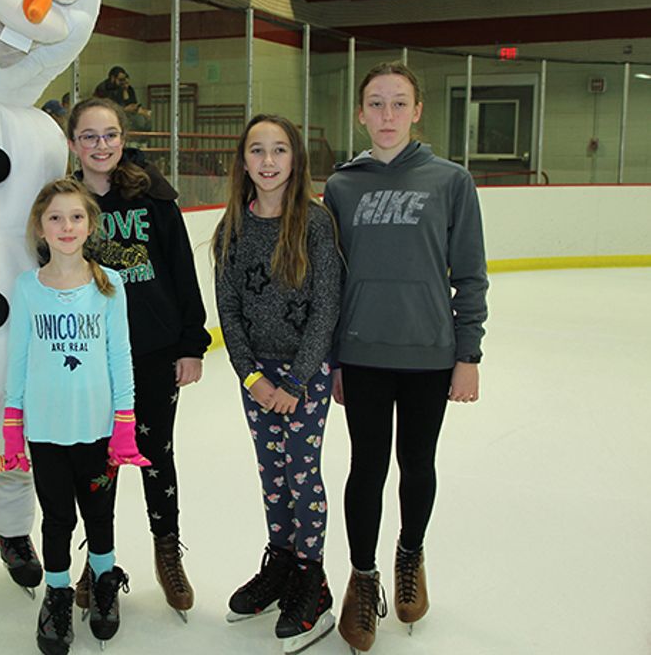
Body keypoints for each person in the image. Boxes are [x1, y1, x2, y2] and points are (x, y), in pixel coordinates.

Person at [323, 62, 489, 653]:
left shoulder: (450, 181)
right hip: (363, 354)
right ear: (360, 113)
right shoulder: (341, 186)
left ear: (418, 111)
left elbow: (469, 273)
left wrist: (467, 352)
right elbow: (330, 282)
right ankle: (362, 577)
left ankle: (410, 555)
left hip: (429, 354)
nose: (387, 115)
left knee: (417, 463)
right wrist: (335, 358)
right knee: (366, 467)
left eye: (399, 104)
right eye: (376, 104)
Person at [0, 176, 149, 655]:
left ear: (90, 225)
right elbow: (17, 359)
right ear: (40, 227)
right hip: (45, 431)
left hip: (99, 430)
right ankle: (58, 593)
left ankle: (103, 583)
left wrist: (125, 424)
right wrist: (13, 430)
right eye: (55, 217)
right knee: (57, 518)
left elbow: (120, 357)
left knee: (100, 514)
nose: (66, 226)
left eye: (76, 217)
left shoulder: (110, 284)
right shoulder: (27, 288)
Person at [68, 97, 210, 621]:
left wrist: (191, 342)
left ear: (122, 140)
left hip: (151, 350)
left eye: (109, 135)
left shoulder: (153, 199)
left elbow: (180, 268)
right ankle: (98, 558)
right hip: (89, 354)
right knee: (97, 459)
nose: (100, 145)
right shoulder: (66, 203)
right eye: (89, 136)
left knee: (154, 452)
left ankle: (167, 550)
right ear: (73, 144)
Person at [212, 115, 342, 654]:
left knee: (300, 472)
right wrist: (252, 376)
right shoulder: (232, 230)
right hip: (258, 377)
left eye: (280, 150)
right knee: (272, 473)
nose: (268, 161)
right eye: (257, 151)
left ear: (295, 160)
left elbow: (326, 307)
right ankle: (282, 561)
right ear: (243, 162)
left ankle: (312, 578)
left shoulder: (314, 224)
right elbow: (230, 312)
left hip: (304, 376)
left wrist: (294, 380)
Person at [93, 66, 151, 132]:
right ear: (113, 78)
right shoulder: (103, 88)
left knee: (143, 121)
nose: (123, 82)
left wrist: (125, 91)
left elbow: (132, 103)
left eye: (124, 79)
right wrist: (124, 109)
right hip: (107, 117)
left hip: (125, 115)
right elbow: (105, 108)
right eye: (120, 80)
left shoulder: (126, 88)